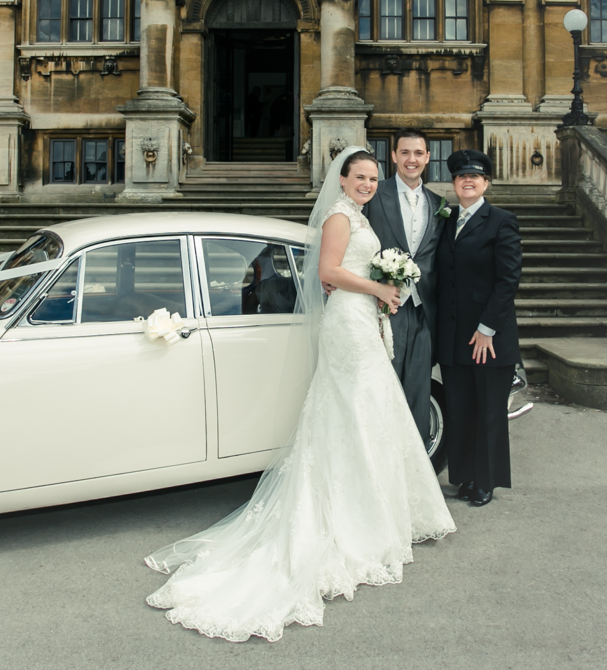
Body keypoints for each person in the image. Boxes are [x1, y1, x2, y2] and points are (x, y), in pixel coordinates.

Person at [144, 148, 455, 642]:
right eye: (361, 177)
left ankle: (377, 511)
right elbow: (327, 273)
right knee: (355, 411)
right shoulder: (338, 216)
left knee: (366, 414)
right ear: (344, 179)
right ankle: (355, 519)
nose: (369, 184)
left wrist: (380, 290)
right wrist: (378, 290)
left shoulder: (358, 215)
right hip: (348, 325)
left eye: (374, 178)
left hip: (359, 319)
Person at [433, 149, 522, 508]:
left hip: (488, 335)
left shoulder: (501, 220)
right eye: (460, 177)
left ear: (486, 183)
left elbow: (508, 279)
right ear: (453, 183)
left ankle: (486, 481)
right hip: (454, 335)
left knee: (488, 410)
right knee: (459, 407)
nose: (467, 181)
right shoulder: (446, 219)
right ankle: (465, 477)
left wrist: (487, 328)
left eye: (475, 177)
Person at [362, 128, 443, 445]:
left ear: (427, 158)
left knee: (419, 392)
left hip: (424, 312)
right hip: (383, 310)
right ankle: (379, 461)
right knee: (382, 388)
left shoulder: (438, 203)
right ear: (393, 156)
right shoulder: (373, 194)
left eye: (419, 153)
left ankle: (414, 467)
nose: (412, 159)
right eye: (405, 153)